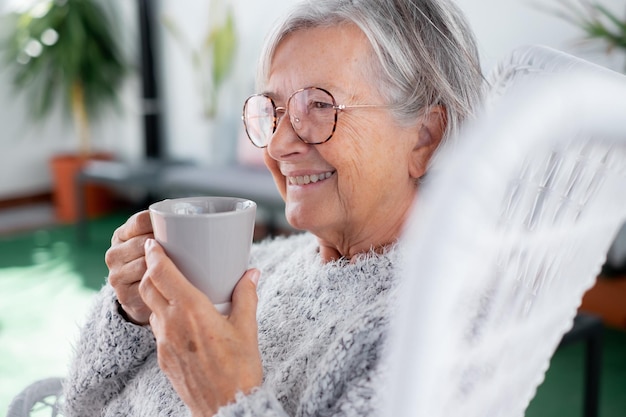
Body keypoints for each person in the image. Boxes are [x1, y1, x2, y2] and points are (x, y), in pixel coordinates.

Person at [63, 0, 484, 415]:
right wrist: (133, 314)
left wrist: (228, 402)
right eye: (273, 112)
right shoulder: (262, 264)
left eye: (319, 106)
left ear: (425, 137)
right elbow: (81, 404)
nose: (279, 145)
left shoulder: (422, 339)